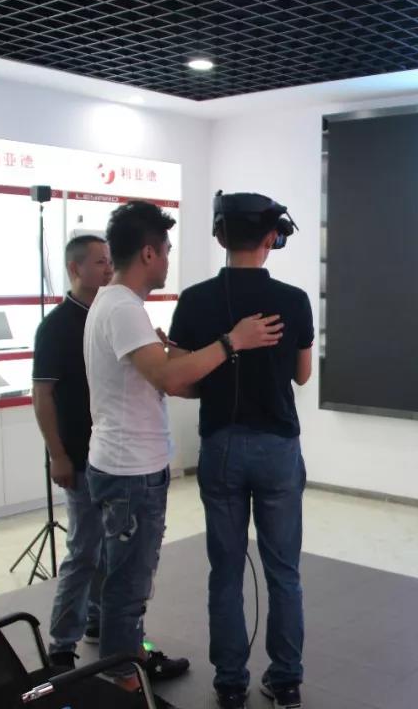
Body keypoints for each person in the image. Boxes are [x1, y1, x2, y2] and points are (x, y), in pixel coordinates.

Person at [84, 200, 283, 691]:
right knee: (129, 586)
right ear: (149, 253)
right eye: (167, 251)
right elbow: (171, 380)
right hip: (130, 471)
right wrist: (232, 342)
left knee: (126, 578)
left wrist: (181, 355)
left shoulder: (114, 305)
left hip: (122, 463)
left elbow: (172, 377)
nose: (169, 260)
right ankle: (123, 682)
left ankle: (131, 659)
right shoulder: (124, 309)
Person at [168, 192, 313, 709]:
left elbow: (180, 380)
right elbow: (302, 375)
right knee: (284, 572)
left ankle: (230, 684)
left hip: (221, 444)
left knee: (225, 572)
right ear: (273, 236)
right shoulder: (294, 300)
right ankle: (286, 680)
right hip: (278, 446)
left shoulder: (194, 300)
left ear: (219, 235)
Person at [32, 235, 112, 668]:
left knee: (106, 549)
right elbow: (42, 395)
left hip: (111, 456)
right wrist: (57, 454)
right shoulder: (57, 326)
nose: (108, 269)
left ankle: (99, 621)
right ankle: (62, 645)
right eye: (100, 262)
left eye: (110, 261)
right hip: (79, 457)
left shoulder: (107, 315)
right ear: (75, 268)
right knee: (83, 550)